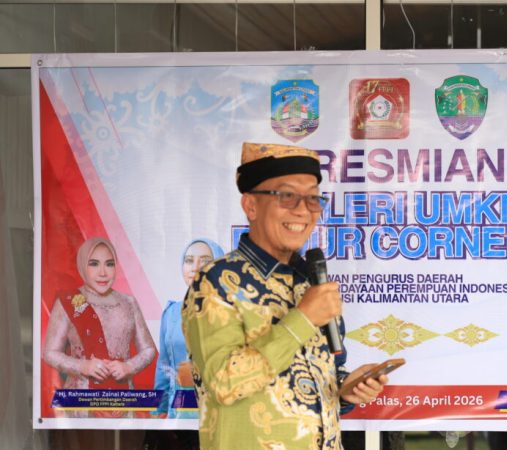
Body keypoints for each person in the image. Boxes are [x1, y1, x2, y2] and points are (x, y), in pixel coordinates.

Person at [182, 142, 388, 450]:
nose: (303, 210)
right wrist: (303, 318)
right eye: (287, 196)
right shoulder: (215, 281)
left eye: (313, 198)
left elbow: (320, 378)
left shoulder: (309, 283)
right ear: (251, 205)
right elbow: (224, 382)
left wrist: (345, 389)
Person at [43, 237, 156, 418]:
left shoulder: (129, 302)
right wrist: (83, 366)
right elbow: (49, 352)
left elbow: (149, 349)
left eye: (109, 264)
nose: (103, 272)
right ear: (82, 265)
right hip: (81, 403)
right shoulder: (69, 301)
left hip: (122, 401)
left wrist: (129, 367)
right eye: (94, 264)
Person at [153, 238, 225, 419]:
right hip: (178, 415)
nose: (195, 267)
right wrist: (158, 412)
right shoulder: (171, 313)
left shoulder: (232, 313)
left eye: (205, 261)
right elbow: (164, 366)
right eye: (189, 260)